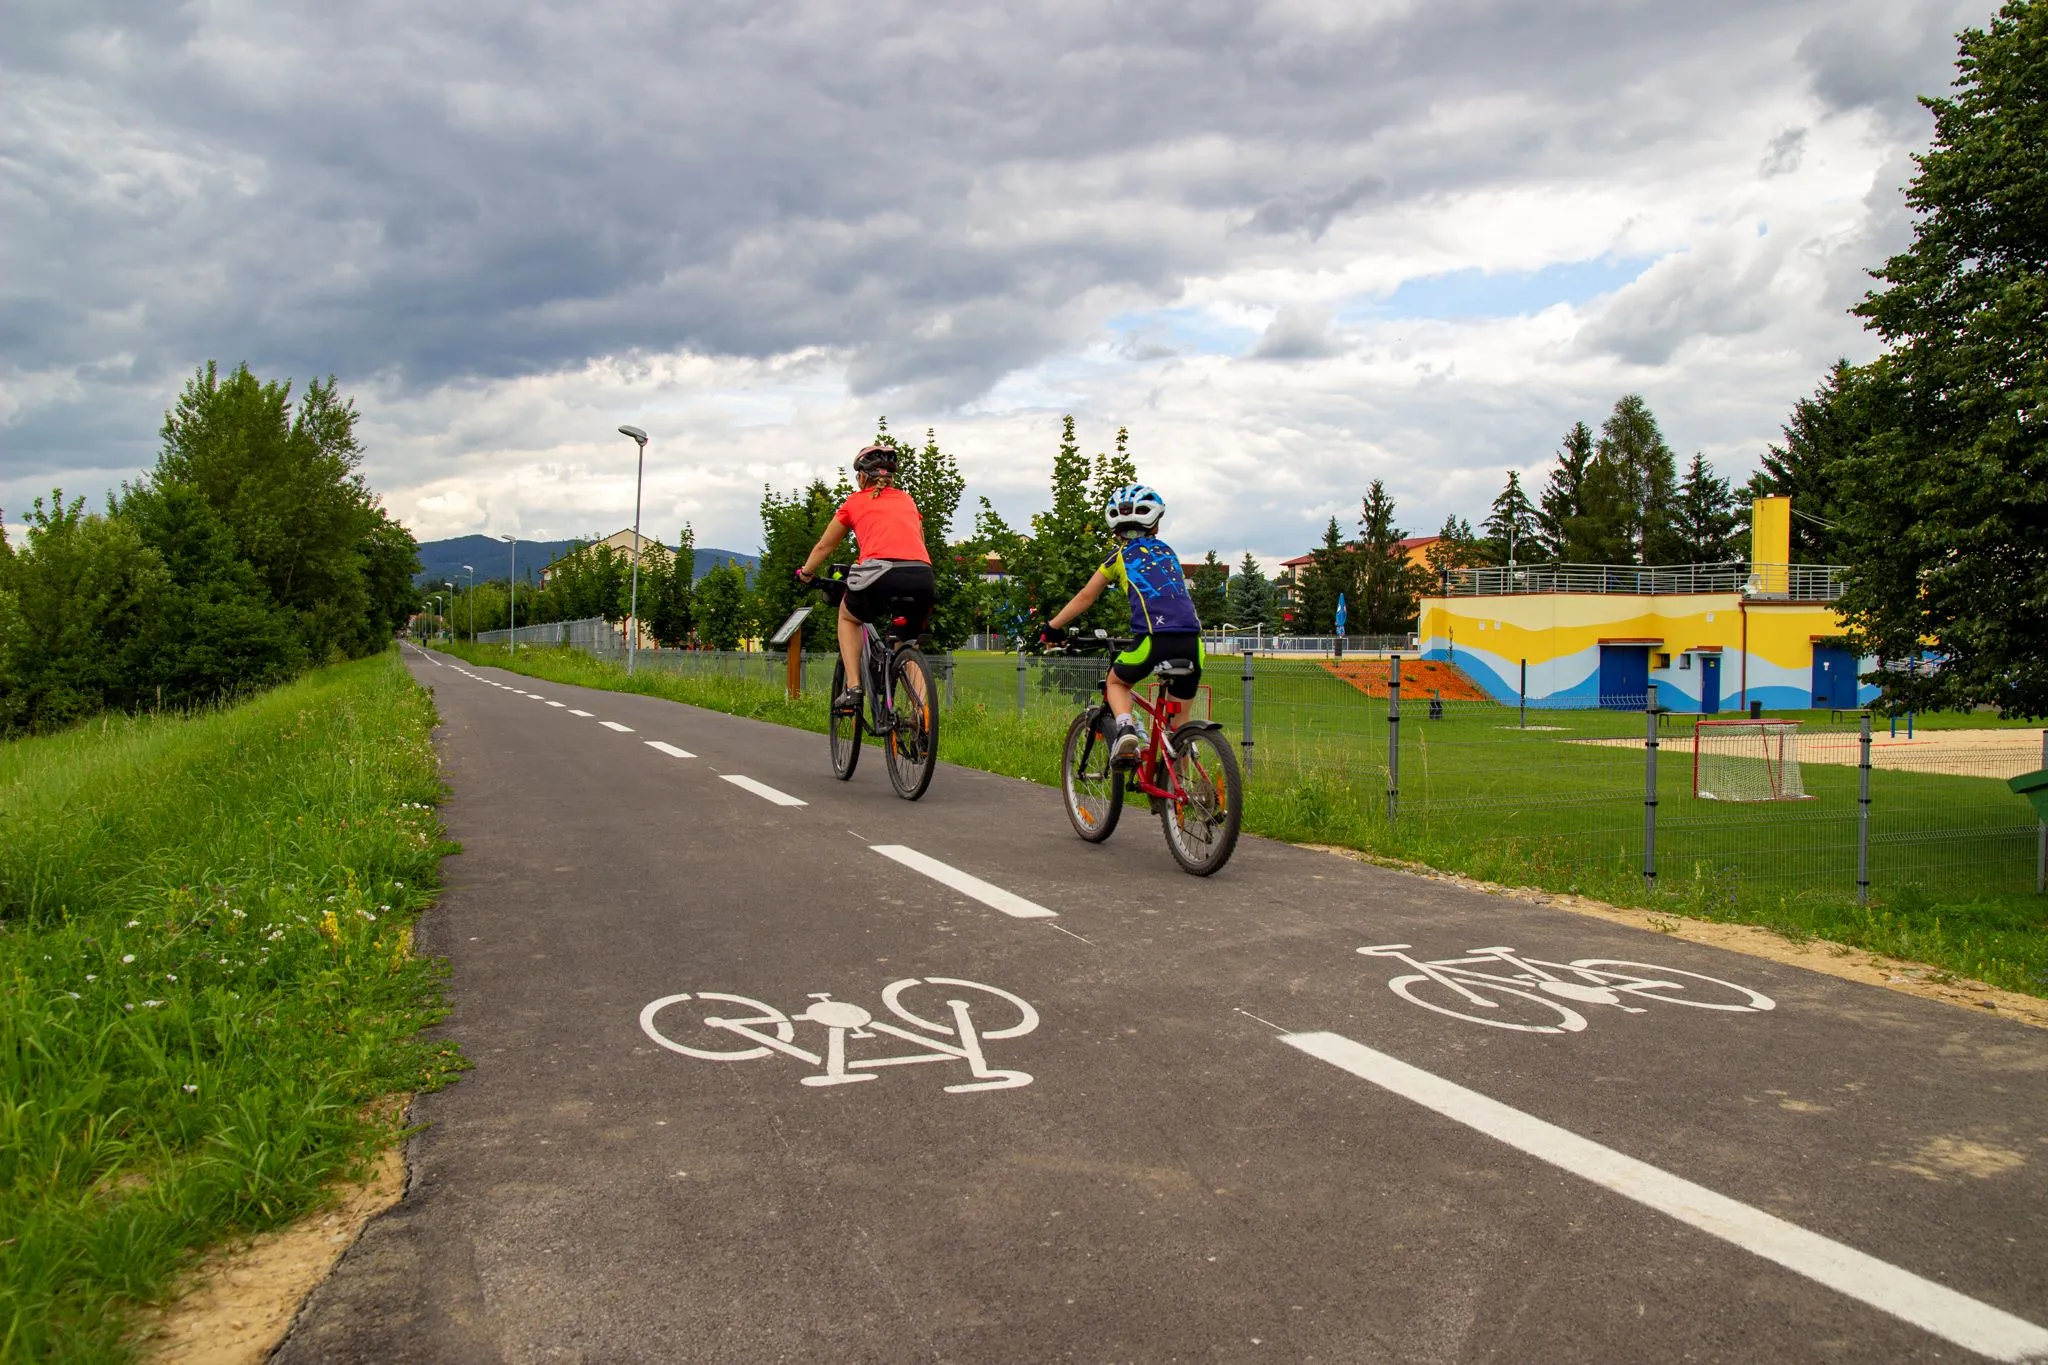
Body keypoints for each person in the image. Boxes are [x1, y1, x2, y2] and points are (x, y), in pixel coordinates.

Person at [1037, 483, 1201, 765]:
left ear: (1116, 531)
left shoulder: (1119, 557)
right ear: (1156, 527)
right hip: (1193, 643)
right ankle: (1185, 794)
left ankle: (1125, 728)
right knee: (1178, 728)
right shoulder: (1169, 553)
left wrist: (1052, 627)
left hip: (1153, 639)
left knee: (1116, 681)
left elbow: (1085, 596)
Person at [795, 444, 935, 712]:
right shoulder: (907, 500)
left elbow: (825, 546)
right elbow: (919, 539)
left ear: (861, 477)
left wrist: (806, 573)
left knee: (848, 617)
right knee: (907, 642)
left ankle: (853, 687)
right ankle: (923, 716)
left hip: (879, 574)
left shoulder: (855, 502)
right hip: (921, 575)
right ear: (891, 477)